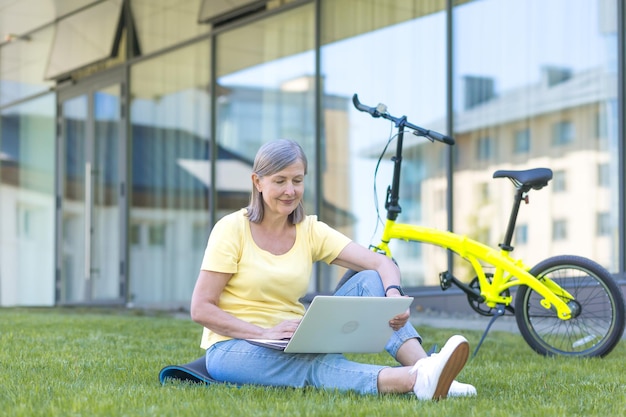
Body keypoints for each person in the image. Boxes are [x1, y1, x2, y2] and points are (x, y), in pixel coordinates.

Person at [190, 139, 476, 399]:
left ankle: (425, 367)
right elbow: (201, 308)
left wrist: (393, 295)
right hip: (235, 347)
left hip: (298, 338)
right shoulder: (231, 229)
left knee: (369, 279)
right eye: (280, 181)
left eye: (297, 180)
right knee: (312, 367)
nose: (290, 191)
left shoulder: (308, 230)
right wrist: (262, 333)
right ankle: (417, 379)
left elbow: (381, 262)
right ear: (258, 182)